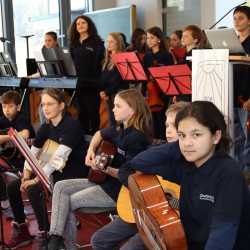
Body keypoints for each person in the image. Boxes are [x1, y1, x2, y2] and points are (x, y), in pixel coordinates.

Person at [122, 101, 250, 250]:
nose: (188, 142)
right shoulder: (185, 165)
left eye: (196, 134)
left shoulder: (228, 173)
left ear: (216, 137)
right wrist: (179, 145)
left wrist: (185, 141)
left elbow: (222, 235)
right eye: (182, 135)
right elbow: (139, 163)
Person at [47, 88, 152, 250]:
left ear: (132, 109)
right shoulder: (119, 129)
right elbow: (99, 134)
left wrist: (105, 169)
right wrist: (91, 151)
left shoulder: (137, 138)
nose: (112, 109)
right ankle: (55, 237)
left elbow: (131, 176)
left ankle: (65, 246)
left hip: (120, 190)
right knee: (60, 186)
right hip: (105, 181)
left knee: (69, 201)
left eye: (118, 106)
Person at [91, 101, 189, 250]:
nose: (168, 131)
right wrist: (142, 193)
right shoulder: (157, 149)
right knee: (99, 240)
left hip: (167, 220)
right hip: (141, 211)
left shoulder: (192, 162)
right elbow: (125, 170)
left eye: (174, 126)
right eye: (167, 125)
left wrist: (164, 200)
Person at [6, 88, 89, 249]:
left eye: (50, 104)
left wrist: (35, 179)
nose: (45, 108)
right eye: (43, 104)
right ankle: (22, 228)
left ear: (62, 105)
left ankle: (45, 234)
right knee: (13, 186)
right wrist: (26, 175)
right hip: (52, 173)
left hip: (71, 175)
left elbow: (57, 160)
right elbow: (32, 153)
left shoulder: (71, 126)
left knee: (34, 188)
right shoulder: (46, 127)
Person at [68, 15, 105, 135]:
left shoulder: (97, 42)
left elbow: (99, 65)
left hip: (93, 84)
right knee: (81, 114)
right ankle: (83, 141)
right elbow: (71, 63)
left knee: (93, 113)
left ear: (89, 25)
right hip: (78, 84)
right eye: (78, 24)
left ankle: (95, 140)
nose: (80, 25)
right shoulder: (73, 44)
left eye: (83, 23)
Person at [0, 90, 35, 209]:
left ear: (18, 107)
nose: (6, 110)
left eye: (10, 106)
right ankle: (4, 198)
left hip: (25, 159)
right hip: (9, 157)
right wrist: (9, 137)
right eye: (4, 106)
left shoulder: (21, 118)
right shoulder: (2, 120)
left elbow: (25, 134)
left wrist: (6, 137)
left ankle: (5, 199)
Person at [143, 26, 174, 139]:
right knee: (152, 120)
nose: (149, 40)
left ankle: (163, 140)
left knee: (162, 119)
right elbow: (144, 75)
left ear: (159, 39)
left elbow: (170, 74)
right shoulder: (147, 56)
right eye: (147, 38)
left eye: (152, 38)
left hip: (163, 92)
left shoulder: (166, 55)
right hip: (151, 93)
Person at [233, 6, 250, 170]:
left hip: (247, 98)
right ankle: (236, 170)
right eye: (235, 18)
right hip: (231, 96)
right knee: (235, 138)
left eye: (241, 18)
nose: (237, 21)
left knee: (248, 139)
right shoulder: (232, 42)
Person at [99, 32, 128, 127]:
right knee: (112, 122)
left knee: (121, 122)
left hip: (119, 94)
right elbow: (103, 77)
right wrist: (102, 90)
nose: (109, 44)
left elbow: (117, 80)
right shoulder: (107, 59)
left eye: (111, 42)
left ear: (118, 43)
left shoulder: (123, 59)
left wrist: (106, 92)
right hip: (108, 95)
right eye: (108, 42)